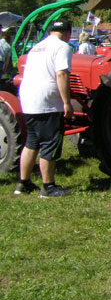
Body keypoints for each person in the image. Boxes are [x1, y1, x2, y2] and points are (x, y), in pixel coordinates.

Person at [14, 20, 74, 197]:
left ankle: (23, 183)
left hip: (28, 97)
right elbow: (61, 73)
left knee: (32, 141)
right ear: (68, 33)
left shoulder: (37, 48)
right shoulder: (63, 47)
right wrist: (66, 102)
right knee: (50, 142)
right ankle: (48, 187)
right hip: (47, 100)